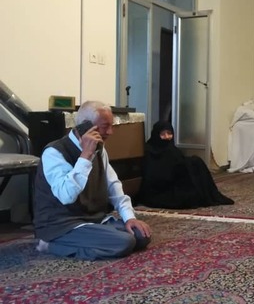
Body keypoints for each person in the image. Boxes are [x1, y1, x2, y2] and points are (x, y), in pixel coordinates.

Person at [33, 101, 152, 261]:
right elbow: (66, 196)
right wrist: (85, 157)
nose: (110, 132)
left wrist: (129, 217)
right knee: (124, 242)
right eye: (105, 127)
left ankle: (93, 239)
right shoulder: (54, 152)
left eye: (111, 126)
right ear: (85, 126)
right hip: (61, 224)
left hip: (93, 219)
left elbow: (113, 185)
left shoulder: (100, 149)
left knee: (141, 236)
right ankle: (50, 245)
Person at [138, 120, 234, 209]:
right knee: (189, 198)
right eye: (163, 134)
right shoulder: (150, 151)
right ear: (156, 135)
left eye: (169, 133)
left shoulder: (172, 149)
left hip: (175, 185)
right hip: (160, 191)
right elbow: (156, 177)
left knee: (196, 163)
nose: (167, 137)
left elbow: (179, 166)